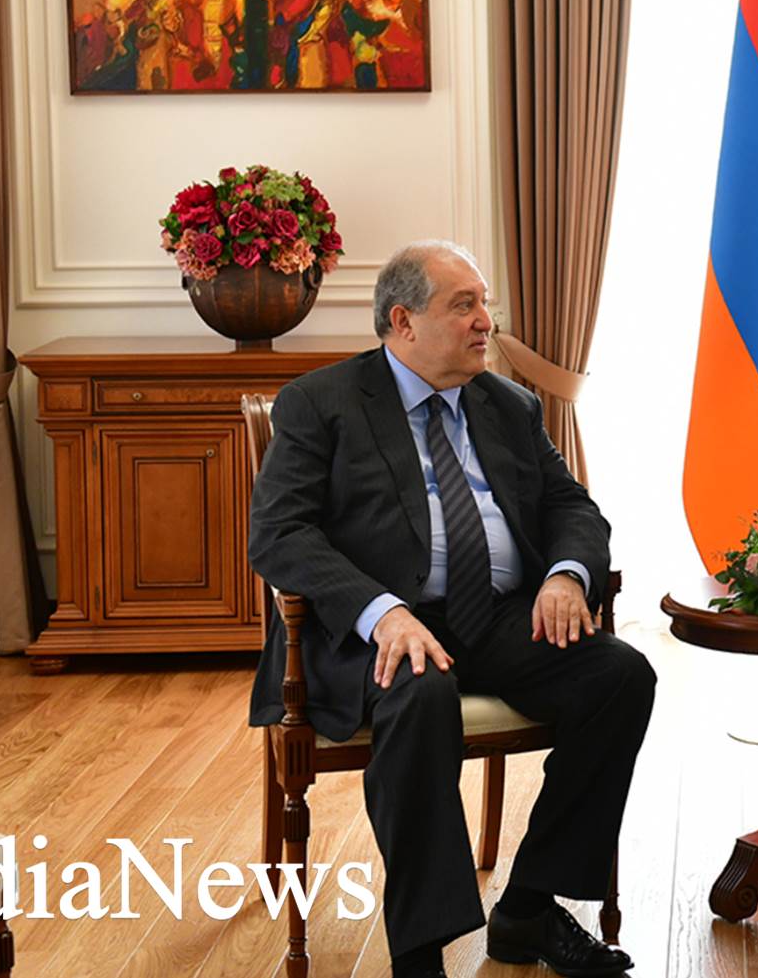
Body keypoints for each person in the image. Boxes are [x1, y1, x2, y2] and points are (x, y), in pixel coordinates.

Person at [249, 240, 652, 978]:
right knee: (421, 695)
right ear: (403, 321)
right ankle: (420, 953)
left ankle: (528, 906)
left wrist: (565, 575)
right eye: (463, 305)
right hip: (375, 630)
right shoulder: (322, 402)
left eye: (483, 303)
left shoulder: (509, 404)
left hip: (498, 615)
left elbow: (570, 506)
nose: (484, 321)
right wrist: (381, 610)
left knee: (621, 676)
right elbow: (279, 533)